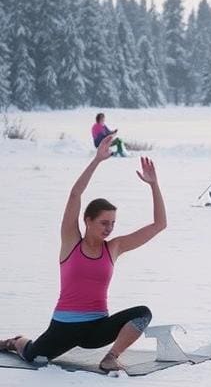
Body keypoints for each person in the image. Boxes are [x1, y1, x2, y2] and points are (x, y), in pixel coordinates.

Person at [1, 139, 166, 372]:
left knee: (142, 314)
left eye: (113, 223)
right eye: (104, 222)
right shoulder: (71, 242)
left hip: (97, 329)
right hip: (64, 327)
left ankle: (111, 356)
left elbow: (159, 225)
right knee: (33, 356)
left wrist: (153, 185)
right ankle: (13, 342)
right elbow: (75, 194)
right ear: (87, 220)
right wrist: (97, 160)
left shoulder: (114, 248)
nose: (109, 228)